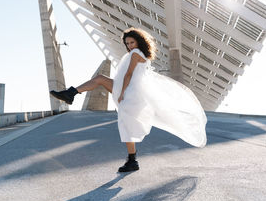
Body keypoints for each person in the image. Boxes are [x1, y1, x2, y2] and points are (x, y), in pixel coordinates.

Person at [50, 28, 207, 172]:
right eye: (127, 43)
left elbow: (129, 74)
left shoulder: (135, 53)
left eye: (132, 42)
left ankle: (132, 160)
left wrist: (122, 91)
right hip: (132, 91)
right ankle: (71, 93)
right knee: (102, 82)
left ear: (139, 41)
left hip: (131, 91)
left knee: (125, 124)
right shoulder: (142, 55)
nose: (130, 46)